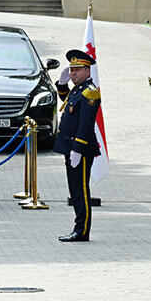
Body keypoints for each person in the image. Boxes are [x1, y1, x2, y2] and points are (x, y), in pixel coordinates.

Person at [53, 49, 100, 242]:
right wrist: (62, 85)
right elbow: (69, 104)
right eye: (71, 69)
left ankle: (82, 230)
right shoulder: (79, 89)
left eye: (77, 70)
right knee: (75, 190)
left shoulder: (90, 91)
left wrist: (77, 149)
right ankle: (79, 227)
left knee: (80, 190)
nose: (73, 73)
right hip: (70, 147)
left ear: (87, 70)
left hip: (79, 149)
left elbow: (86, 124)